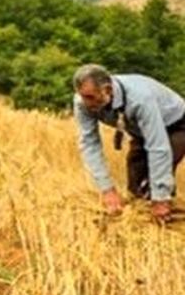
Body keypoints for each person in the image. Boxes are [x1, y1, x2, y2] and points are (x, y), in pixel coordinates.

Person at [73, 64, 185, 222]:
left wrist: (160, 198)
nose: (86, 103)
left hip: (177, 124)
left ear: (107, 90)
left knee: (155, 178)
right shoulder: (82, 102)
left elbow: (158, 148)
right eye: (82, 96)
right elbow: (89, 144)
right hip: (139, 129)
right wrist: (107, 190)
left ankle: (164, 215)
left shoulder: (139, 99)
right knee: (136, 184)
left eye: (90, 97)